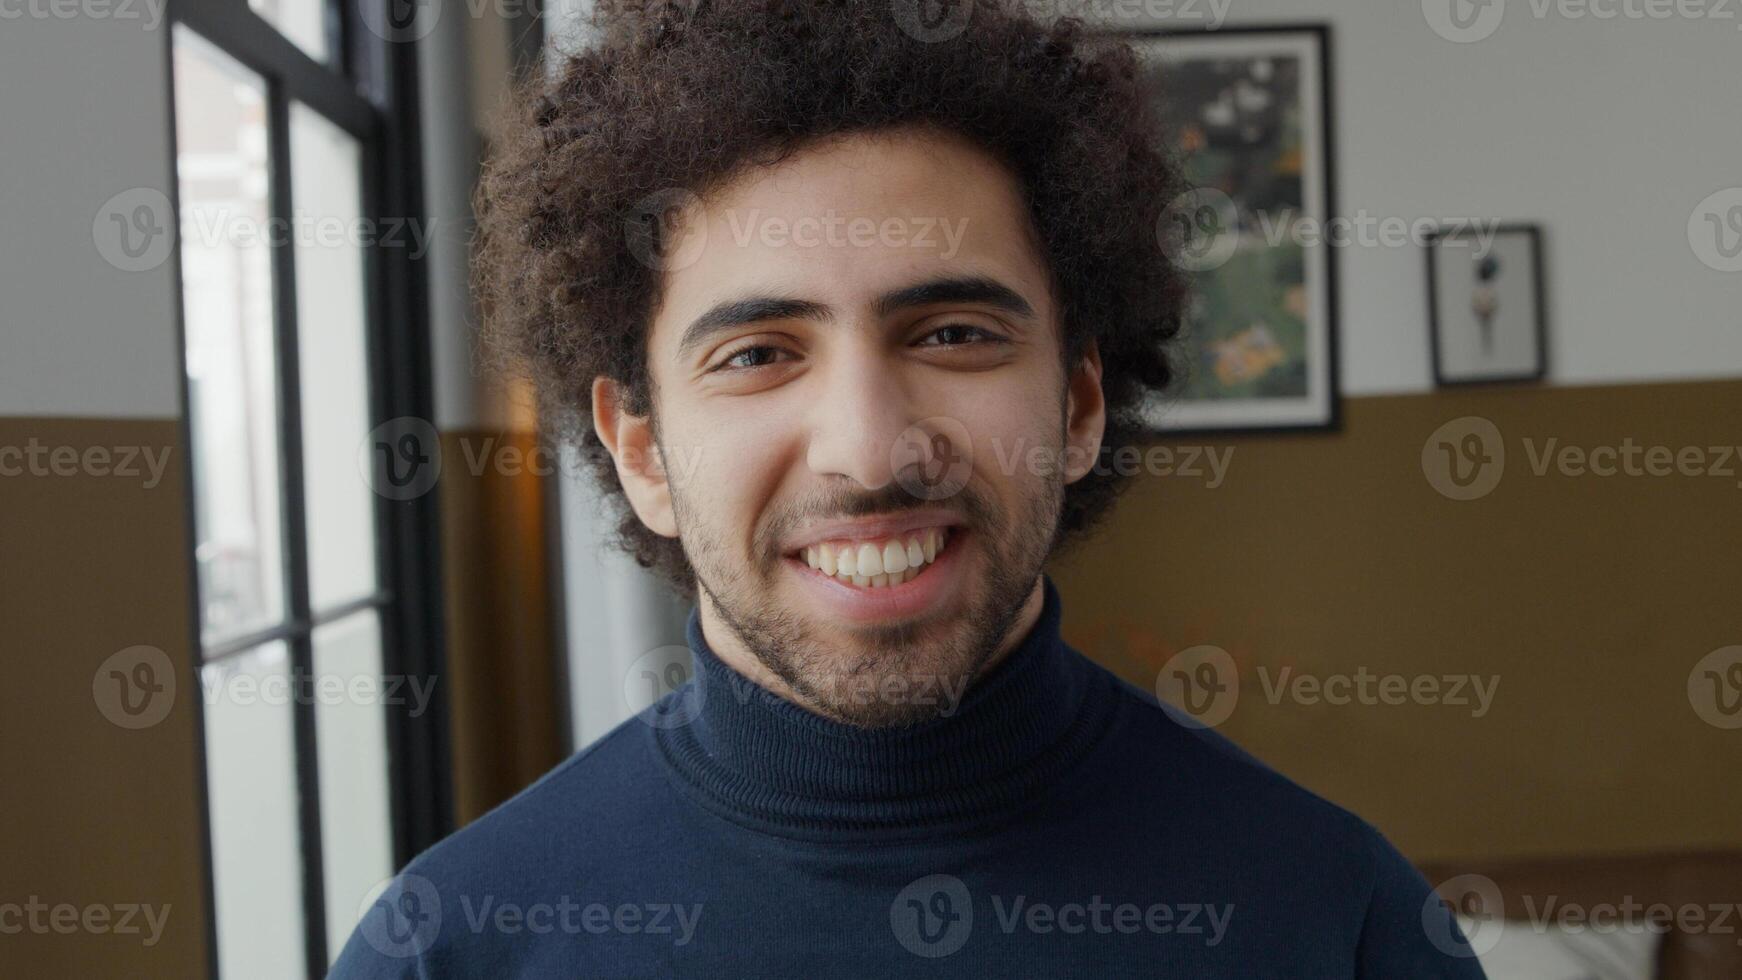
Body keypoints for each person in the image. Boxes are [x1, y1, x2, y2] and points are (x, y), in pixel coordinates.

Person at [332, 0, 1482, 974]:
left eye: (950, 332)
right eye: (757, 352)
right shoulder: (450, 948)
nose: (870, 452)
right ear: (639, 450)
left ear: (1077, 405)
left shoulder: (1340, 922)